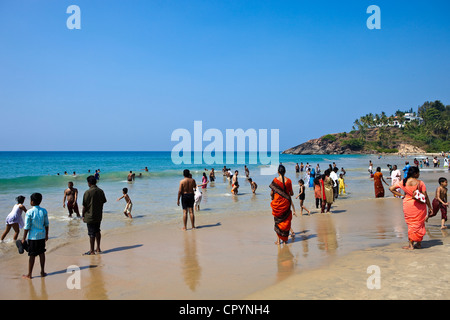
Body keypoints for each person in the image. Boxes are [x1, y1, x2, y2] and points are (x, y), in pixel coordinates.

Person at [389, 166, 432, 250]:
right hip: (420, 206)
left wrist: (402, 196)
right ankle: (419, 244)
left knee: (411, 224)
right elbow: (425, 196)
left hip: (408, 204)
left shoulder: (403, 182)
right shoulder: (420, 183)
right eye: (418, 173)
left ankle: (411, 245)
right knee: (419, 224)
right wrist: (430, 207)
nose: (419, 174)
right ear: (415, 173)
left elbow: (391, 189)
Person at [21, 193, 49, 279]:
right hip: (41, 236)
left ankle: (29, 274)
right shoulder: (44, 211)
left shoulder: (29, 212)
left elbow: (27, 227)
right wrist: (46, 235)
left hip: (32, 237)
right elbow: (46, 224)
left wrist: (23, 238)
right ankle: (42, 271)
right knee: (42, 253)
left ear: (32, 202)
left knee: (32, 255)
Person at [269, 165, 296, 245]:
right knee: (286, 221)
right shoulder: (289, 181)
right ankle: (285, 240)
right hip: (286, 204)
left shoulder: (275, 181)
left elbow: (271, 192)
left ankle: (278, 240)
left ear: (278, 172)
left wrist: (272, 197)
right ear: (285, 172)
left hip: (277, 204)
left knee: (278, 222)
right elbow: (291, 193)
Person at [82, 175, 107, 255]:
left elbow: (84, 206)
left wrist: (82, 215)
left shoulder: (87, 192)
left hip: (90, 215)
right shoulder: (101, 191)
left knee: (91, 233)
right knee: (97, 230)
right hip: (98, 214)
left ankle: (92, 251)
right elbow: (103, 202)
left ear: (89, 183)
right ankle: (98, 248)